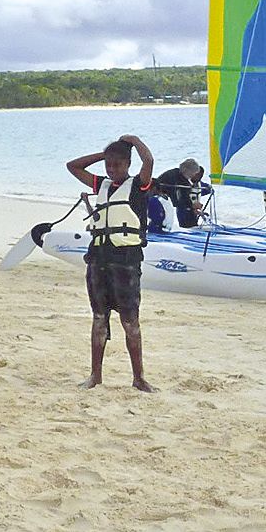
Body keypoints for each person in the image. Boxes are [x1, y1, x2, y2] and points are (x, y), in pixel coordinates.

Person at [68, 134, 156, 392]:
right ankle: (95, 376)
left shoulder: (139, 185)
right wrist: (102, 154)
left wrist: (134, 140)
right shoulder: (101, 185)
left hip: (126, 261)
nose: (112, 169)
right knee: (98, 318)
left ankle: (138, 378)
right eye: (109, 165)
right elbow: (73, 166)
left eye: (117, 165)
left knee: (130, 321)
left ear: (128, 164)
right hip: (98, 258)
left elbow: (148, 160)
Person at [153, 159, 211, 229]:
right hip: (157, 200)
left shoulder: (185, 181)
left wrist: (193, 207)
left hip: (166, 201)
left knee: (188, 210)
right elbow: (176, 201)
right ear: (187, 170)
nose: (193, 176)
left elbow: (185, 198)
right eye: (193, 173)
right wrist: (192, 206)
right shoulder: (173, 176)